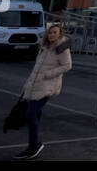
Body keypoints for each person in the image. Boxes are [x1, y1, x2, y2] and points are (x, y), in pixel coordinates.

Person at [15, 22, 72, 160]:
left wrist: (48, 74)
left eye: (55, 33)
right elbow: (36, 69)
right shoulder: (44, 47)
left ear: (60, 35)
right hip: (36, 85)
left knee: (30, 114)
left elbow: (67, 66)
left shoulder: (61, 49)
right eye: (50, 32)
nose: (52, 35)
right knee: (34, 115)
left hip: (48, 87)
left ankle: (35, 145)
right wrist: (27, 85)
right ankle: (32, 145)